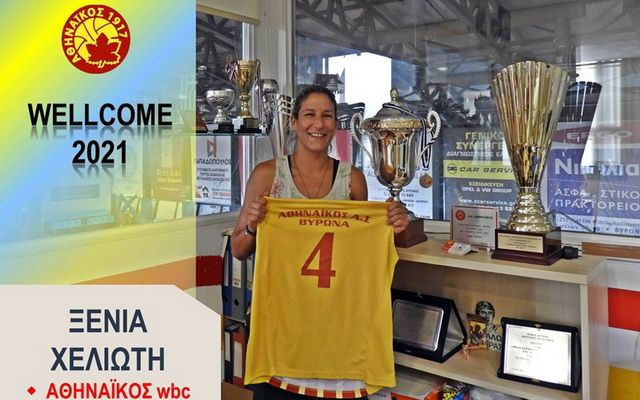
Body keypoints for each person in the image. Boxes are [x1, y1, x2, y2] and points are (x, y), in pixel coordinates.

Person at [230, 85, 409, 399]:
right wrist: (253, 226)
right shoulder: (267, 175)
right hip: (281, 330)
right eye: (309, 115)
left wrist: (393, 225)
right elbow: (239, 249)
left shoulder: (352, 180)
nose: (318, 124)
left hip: (338, 332)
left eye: (327, 116)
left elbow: (360, 250)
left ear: (335, 125)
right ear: (294, 122)